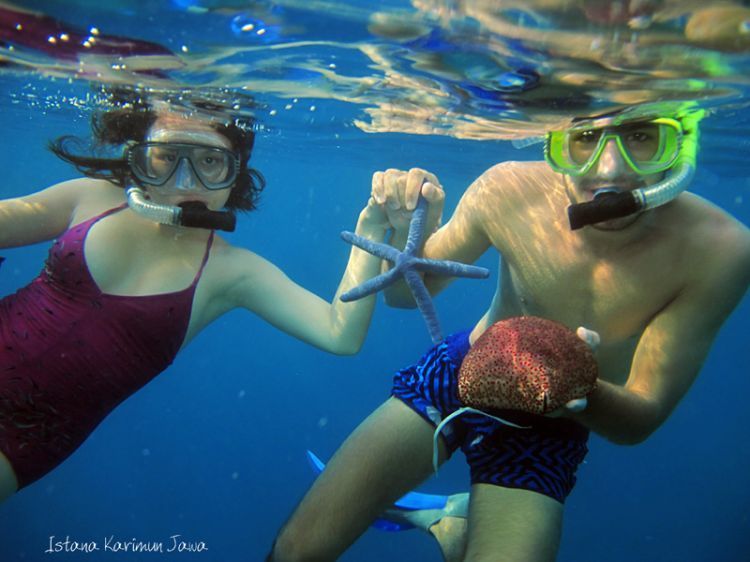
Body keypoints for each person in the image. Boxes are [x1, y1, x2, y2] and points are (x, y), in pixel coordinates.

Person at [268, 103, 750, 562]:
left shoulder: (720, 250)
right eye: (582, 138)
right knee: (297, 551)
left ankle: (452, 523)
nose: (609, 170)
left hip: (553, 422)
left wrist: (578, 390)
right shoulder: (507, 189)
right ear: (553, 140)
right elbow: (401, 293)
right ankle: (450, 521)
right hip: (456, 373)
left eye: (644, 137)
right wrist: (401, 228)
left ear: (684, 142)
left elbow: (641, 418)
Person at [0, 92, 392, 503]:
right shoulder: (91, 197)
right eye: (167, 157)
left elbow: (339, 334)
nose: (186, 184)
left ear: (235, 171)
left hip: (22, 439)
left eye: (209, 162)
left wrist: (371, 227)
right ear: (138, 157)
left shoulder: (232, 271)